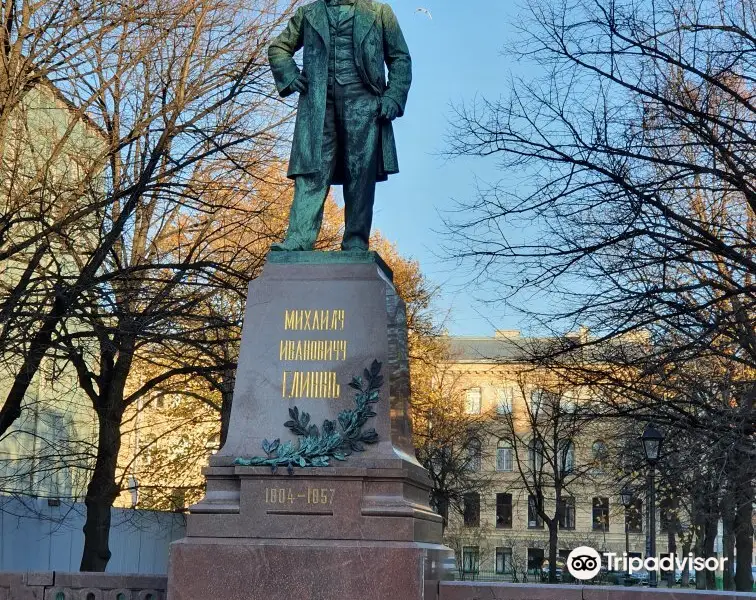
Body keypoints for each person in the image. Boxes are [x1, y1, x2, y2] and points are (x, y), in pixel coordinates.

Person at [268, 0, 412, 251]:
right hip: (319, 104)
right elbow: (279, 48)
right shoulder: (309, 12)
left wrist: (392, 96)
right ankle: (299, 239)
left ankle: (356, 241)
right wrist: (290, 76)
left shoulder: (378, 12)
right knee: (311, 171)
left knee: (360, 174)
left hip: (364, 102)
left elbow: (400, 58)